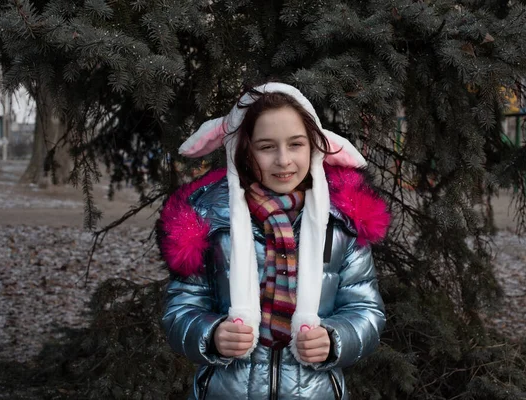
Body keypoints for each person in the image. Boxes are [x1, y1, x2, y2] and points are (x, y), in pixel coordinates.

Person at [157, 82, 390, 400]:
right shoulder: (208, 221)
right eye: (267, 147)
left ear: (316, 146)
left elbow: (366, 310)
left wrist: (336, 339)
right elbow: (180, 309)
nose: (283, 160)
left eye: (296, 144)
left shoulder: (342, 224)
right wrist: (210, 335)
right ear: (243, 148)